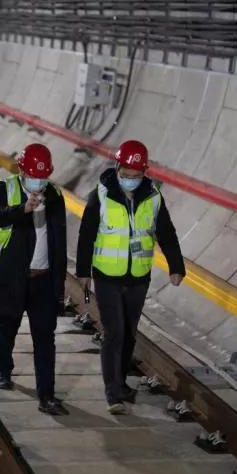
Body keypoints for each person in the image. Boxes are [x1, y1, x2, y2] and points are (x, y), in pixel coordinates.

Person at [75, 140, 186, 415]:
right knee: (115, 332)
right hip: (107, 275)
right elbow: (87, 234)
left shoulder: (153, 197)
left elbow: (166, 232)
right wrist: (82, 272)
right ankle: (113, 393)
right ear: (117, 168)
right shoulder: (100, 195)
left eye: (137, 176)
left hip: (138, 276)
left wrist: (176, 266)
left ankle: (121, 383)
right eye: (126, 175)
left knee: (130, 334)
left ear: (144, 173)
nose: (131, 180)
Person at [0, 144, 68, 416]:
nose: (39, 181)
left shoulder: (55, 195)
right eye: (34, 175)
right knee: (7, 327)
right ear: (22, 170)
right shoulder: (4, 188)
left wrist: (58, 283)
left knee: (45, 338)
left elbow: (58, 240)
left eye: (43, 175)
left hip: (43, 279)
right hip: (14, 276)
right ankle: (3, 370)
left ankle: (46, 396)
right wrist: (23, 209)